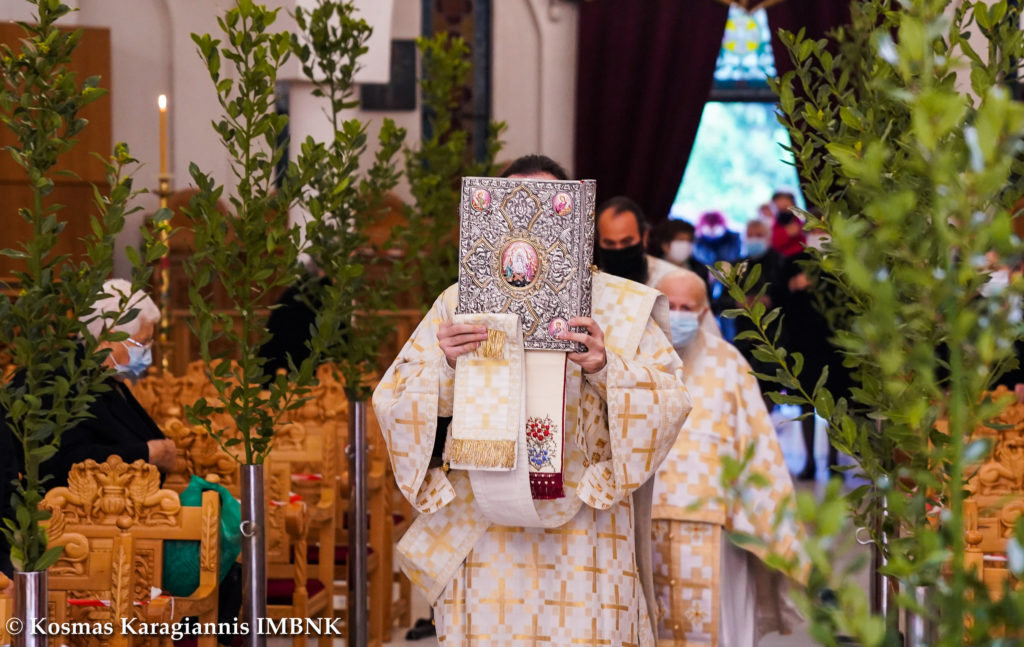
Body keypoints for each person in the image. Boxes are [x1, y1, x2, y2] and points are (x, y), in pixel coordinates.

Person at [373, 154, 691, 645]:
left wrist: (607, 368)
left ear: (576, 220)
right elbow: (394, 399)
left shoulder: (622, 306)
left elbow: (669, 400)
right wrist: (446, 367)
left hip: (588, 531)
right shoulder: (460, 303)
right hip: (484, 533)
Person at [652, 269, 803, 646]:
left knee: (717, 626)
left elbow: (757, 444)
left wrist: (767, 518)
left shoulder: (730, 364)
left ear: (705, 314)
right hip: (644, 520)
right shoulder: (630, 359)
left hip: (716, 525)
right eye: (669, 305)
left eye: (688, 307)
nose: (678, 313)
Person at [734, 220, 785, 405]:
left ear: (769, 238)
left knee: (768, 392)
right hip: (743, 339)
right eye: (751, 235)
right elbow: (722, 301)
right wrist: (737, 302)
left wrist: (766, 302)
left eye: (759, 235)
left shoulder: (780, 263)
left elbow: (785, 298)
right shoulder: (738, 265)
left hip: (772, 339)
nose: (754, 239)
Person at [595, 195, 678, 287]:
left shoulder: (672, 280)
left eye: (626, 241)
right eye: (610, 243)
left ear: (644, 237)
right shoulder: (592, 283)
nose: (618, 248)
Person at [650, 217, 710, 285]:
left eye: (689, 240)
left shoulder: (700, 271)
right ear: (665, 245)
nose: (686, 245)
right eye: (681, 240)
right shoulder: (651, 268)